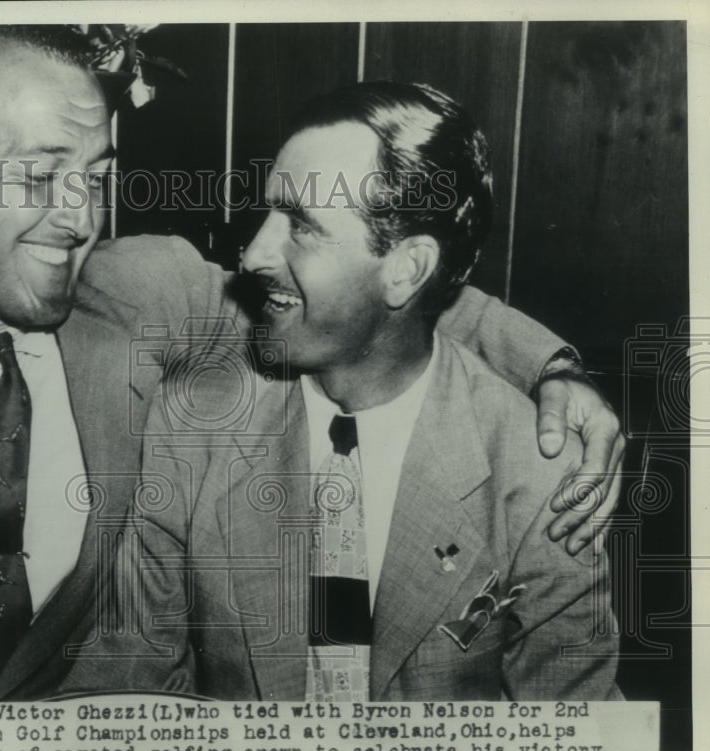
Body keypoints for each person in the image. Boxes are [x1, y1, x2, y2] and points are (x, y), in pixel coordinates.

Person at [0, 27, 619, 704]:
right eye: (39, 177)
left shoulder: (132, 298)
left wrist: (553, 371)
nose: (78, 219)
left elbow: (367, 299)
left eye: (97, 175)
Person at [85, 81, 621, 701]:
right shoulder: (192, 429)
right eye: (268, 214)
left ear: (407, 269)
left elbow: (574, 742)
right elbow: (129, 691)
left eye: (302, 226)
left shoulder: (538, 477)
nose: (254, 251)